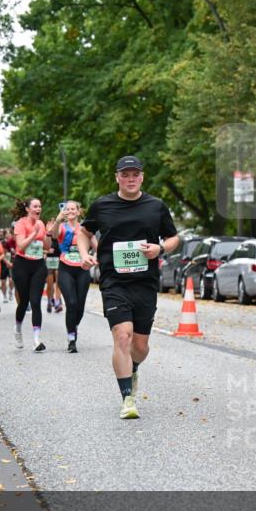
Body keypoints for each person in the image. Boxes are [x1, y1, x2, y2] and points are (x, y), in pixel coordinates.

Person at [78, 156, 179, 419]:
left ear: (142, 177)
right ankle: (127, 399)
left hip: (145, 283)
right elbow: (84, 232)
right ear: (117, 177)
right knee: (122, 335)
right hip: (114, 281)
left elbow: (173, 237)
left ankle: (133, 367)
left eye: (135, 174)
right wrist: (83, 253)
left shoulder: (156, 206)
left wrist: (161, 249)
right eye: (125, 174)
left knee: (140, 346)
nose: (130, 179)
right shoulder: (103, 205)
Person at [11, 198, 59, 352]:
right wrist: (33, 234)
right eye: (35, 206)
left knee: (36, 301)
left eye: (40, 206)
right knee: (24, 302)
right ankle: (17, 329)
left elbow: (47, 246)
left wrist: (49, 234)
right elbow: (20, 246)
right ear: (27, 209)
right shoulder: (21, 224)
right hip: (22, 265)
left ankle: (37, 340)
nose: (39, 209)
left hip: (38, 265)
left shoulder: (40, 223)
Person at [56, 201, 95, 353]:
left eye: (73, 209)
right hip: (65, 268)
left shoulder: (85, 229)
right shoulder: (61, 227)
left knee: (80, 307)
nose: (71, 211)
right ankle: (72, 338)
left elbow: (96, 244)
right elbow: (52, 235)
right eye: (68, 209)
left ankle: (73, 325)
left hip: (82, 269)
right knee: (71, 303)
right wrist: (58, 220)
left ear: (79, 212)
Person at [45, 232, 61, 313]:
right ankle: (49, 301)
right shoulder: (47, 237)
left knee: (59, 283)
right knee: (50, 284)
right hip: (49, 262)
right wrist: (47, 251)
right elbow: (40, 249)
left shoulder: (61, 235)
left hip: (59, 261)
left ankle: (58, 302)